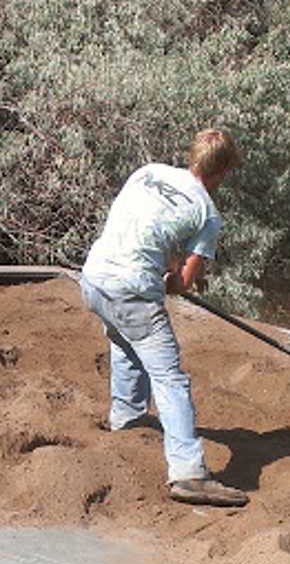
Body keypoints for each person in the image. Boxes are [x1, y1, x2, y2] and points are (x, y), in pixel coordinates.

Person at [79, 129, 248, 507]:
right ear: (221, 172)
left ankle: (127, 420)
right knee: (170, 378)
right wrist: (177, 279)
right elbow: (182, 284)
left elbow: (145, 227)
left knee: (125, 342)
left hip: (93, 278)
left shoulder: (148, 172)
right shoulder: (207, 213)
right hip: (132, 291)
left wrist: (168, 269)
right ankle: (188, 473)